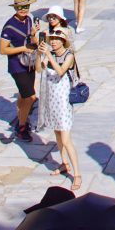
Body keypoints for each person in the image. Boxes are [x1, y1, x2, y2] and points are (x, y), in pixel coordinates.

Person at [36, 28, 81, 190]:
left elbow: (61, 71)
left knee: (66, 139)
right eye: (51, 38)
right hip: (51, 98)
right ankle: (64, 163)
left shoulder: (69, 55)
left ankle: (77, 174)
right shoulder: (50, 54)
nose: (53, 41)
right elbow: (39, 69)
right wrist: (39, 54)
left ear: (63, 40)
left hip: (63, 101)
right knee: (57, 134)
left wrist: (48, 56)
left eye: (56, 38)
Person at [0, 0, 38, 142]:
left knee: (24, 94)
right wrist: (23, 48)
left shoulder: (28, 20)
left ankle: (20, 116)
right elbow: (3, 50)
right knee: (30, 97)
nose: (24, 9)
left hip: (29, 63)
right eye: (20, 7)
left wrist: (34, 34)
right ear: (15, 8)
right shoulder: (9, 26)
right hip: (17, 65)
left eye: (26, 6)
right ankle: (22, 127)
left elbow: (31, 41)